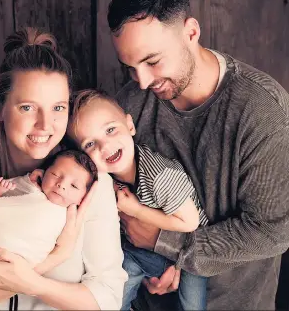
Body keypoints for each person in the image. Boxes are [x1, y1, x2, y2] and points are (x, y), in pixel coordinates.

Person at [107, 0, 289, 310]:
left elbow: (270, 231)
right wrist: (150, 256)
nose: (141, 81)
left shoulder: (265, 113)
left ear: (191, 32)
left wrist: (172, 247)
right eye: (130, 67)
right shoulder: (128, 106)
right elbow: (108, 192)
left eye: (152, 61)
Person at [0, 27, 127, 311]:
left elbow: (107, 299)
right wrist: (54, 257)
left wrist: (32, 284)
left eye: (58, 108)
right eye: (27, 108)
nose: (45, 125)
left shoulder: (88, 181)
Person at [67, 88, 209, 310]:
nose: (105, 146)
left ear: (130, 125)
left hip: (191, 250)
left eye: (111, 130)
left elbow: (190, 223)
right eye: (90, 144)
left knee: (191, 304)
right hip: (147, 252)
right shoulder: (107, 180)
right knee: (119, 285)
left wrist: (134, 209)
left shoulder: (160, 176)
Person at [0, 149, 98, 270]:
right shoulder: (32, 186)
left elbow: (62, 243)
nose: (62, 185)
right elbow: (7, 194)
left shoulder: (70, 216)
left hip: (22, 256)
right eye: (55, 175)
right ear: (43, 173)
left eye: (74, 186)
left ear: (82, 198)